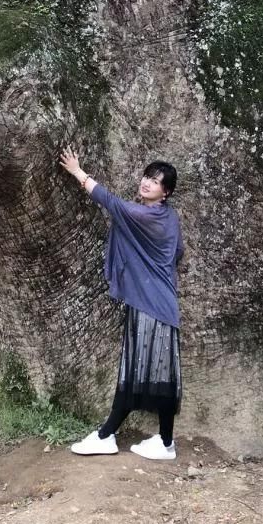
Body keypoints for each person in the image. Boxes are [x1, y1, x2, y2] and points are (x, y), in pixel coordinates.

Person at [59, 146, 184, 461]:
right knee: (161, 373)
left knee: (135, 368)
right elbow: (178, 253)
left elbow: (110, 202)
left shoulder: (145, 214)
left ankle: (106, 435)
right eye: (146, 177)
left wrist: (76, 171)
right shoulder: (168, 217)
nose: (146, 183)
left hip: (150, 306)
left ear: (165, 192)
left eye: (155, 182)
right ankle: (165, 442)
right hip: (162, 303)